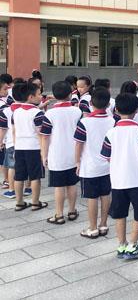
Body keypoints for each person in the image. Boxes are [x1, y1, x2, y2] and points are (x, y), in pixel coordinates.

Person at [101, 93, 138, 259]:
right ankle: (133, 245)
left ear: (116, 110)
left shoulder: (111, 133)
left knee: (120, 213)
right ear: (137, 110)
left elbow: (107, 156)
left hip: (118, 180)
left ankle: (122, 245)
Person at [40, 81, 82, 225]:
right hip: (73, 154)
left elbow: (45, 137)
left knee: (59, 186)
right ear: (70, 94)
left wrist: (44, 155)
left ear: (54, 95)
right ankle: (72, 211)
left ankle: (59, 215)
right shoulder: (77, 111)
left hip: (56, 155)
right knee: (72, 184)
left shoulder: (49, 114)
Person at [75, 88, 114, 239]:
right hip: (108, 166)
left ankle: (92, 228)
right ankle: (103, 225)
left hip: (90, 166)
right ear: (108, 104)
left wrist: (77, 162)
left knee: (92, 197)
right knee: (105, 195)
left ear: (90, 103)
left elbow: (78, 144)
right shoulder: (112, 121)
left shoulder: (84, 122)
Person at [11, 81, 47, 212]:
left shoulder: (16, 112)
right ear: (31, 97)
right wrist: (44, 152)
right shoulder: (38, 113)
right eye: (39, 94)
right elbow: (41, 134)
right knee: (35, 176)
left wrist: (15, 147)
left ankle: (19, 202)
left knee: (19, 176)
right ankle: (35, 203)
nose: (41, 96)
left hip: (19, 147)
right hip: (34, 148)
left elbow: (14, 131)